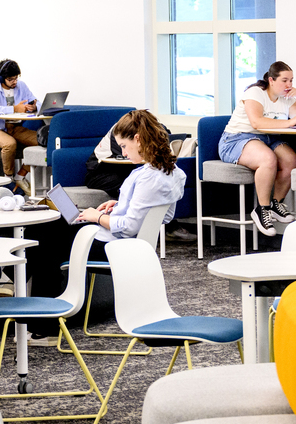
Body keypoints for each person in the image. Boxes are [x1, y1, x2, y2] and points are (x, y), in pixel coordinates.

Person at [26, 110, 186, 344]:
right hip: (125, 244)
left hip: (115, 246)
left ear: (138, 139)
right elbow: (161, 212)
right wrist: (120, 204)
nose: (123, 153)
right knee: (54, 229)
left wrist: (95, 217)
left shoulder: (146, 177)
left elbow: (129, 227)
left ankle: (38, 319)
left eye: (124, 146)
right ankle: (36, 313)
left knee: (44, 237)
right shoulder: (172, 173)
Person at [217, 61, 296, 236]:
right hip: (237, 139)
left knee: (290, 160)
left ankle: (276, 203)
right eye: (284, 80)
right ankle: (262, 209)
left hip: (268, 138)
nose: (289, 85)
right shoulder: (255, 93)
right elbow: (256, 122)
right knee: (268, 159)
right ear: (271, 80)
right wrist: (290, 122)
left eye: (291, 80)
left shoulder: (287, 97)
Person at [0, 59, 40, 195]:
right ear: (1, 78)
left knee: (41, 142)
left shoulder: (21, 86)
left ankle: (20, 175)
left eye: (16, 78)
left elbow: (36, 101)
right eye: (11, 79)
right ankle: (8, 181)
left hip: (14, 128)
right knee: (10, 144)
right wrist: (14, 108)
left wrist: (34, 106)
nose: (14, 82)